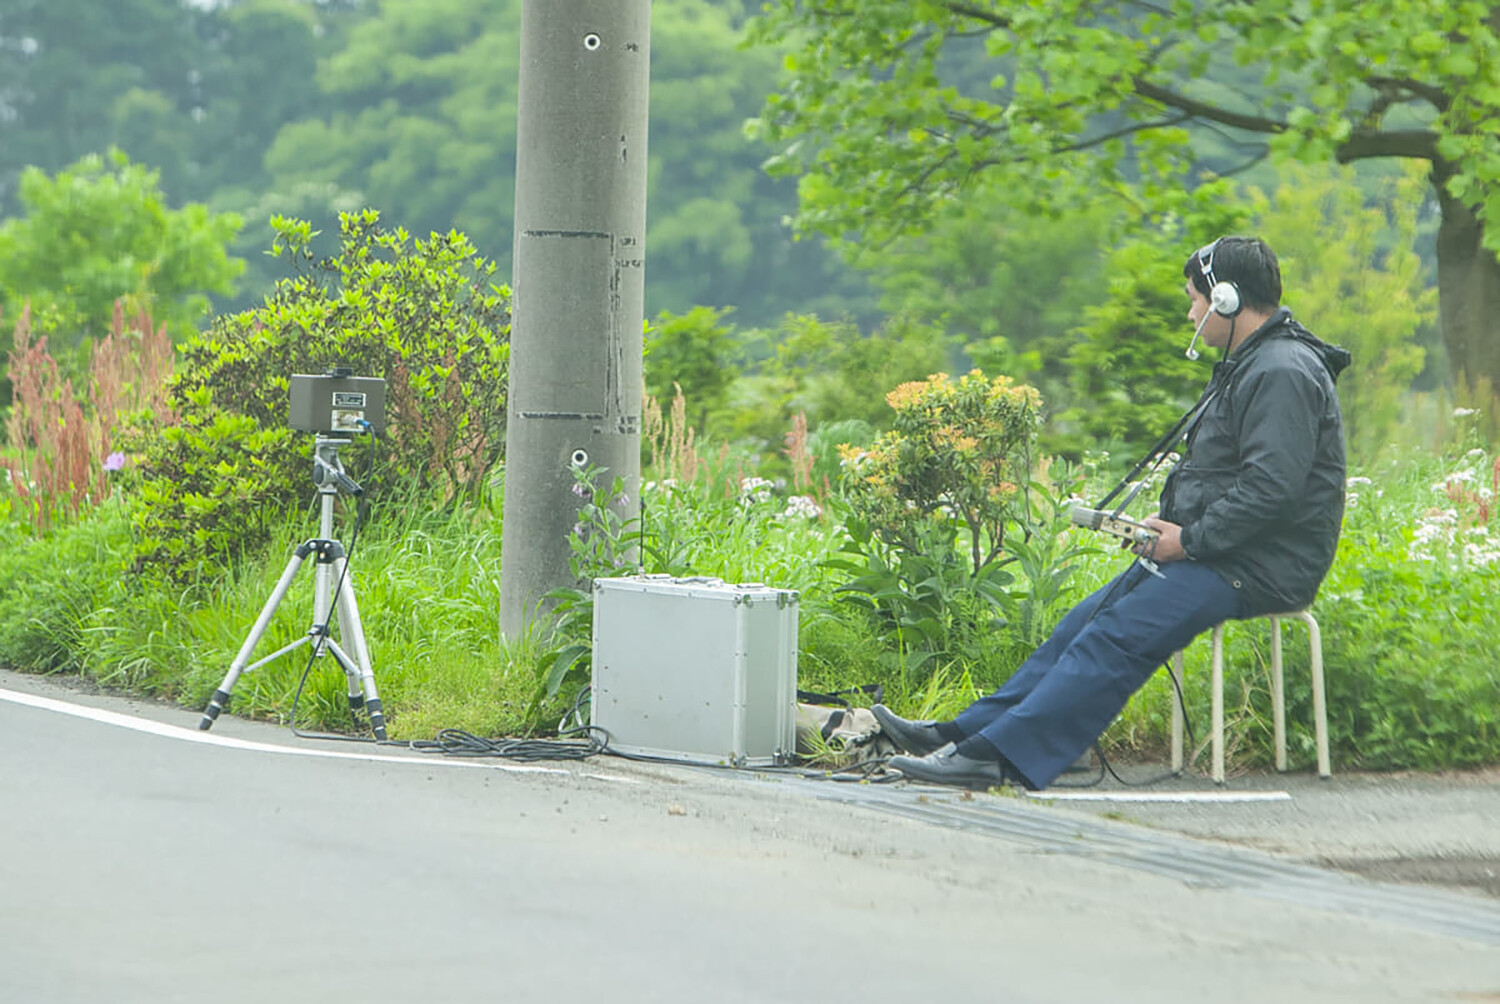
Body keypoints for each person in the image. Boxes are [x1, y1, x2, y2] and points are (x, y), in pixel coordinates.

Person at [875, 235, 1351, 790]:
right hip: (1224, 552)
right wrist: (1172, 533)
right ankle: (966, 735)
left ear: (1226, 299)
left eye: (1196, 298)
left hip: (1260, 565)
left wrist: (1188, 540)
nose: (1191, 311)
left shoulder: (1282, 371)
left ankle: (998, 757)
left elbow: (1273, 488)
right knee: (1085, 623)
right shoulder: (1256, 363)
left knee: (1117, 635)